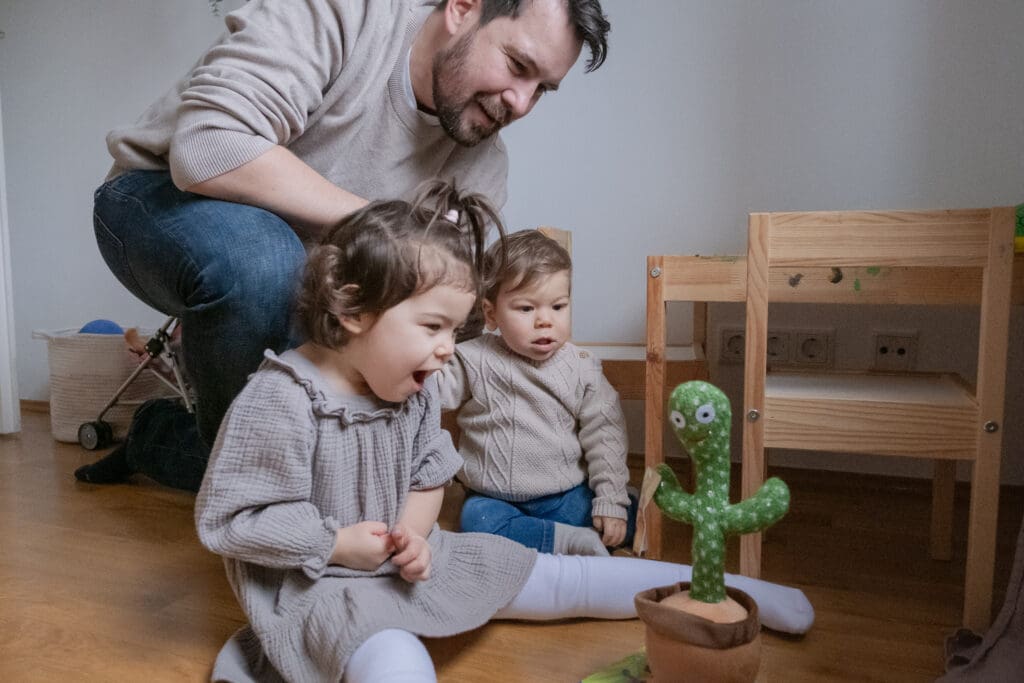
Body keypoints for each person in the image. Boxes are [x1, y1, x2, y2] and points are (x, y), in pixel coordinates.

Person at [194, 182, 814, 682]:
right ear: (354, 311)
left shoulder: (409, 389)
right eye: (434, 327)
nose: (446, 352)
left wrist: (411, 536)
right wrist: (336, 545)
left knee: (552, 576)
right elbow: (232, 519)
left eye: (455, 332)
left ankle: (729, 591)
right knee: (393, 660)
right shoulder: (282, 397)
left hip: (408, 563)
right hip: (321, 586)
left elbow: (430, 473)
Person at [75, 0, 612, 491]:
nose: (521, 103)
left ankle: (173, 442)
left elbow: (454, 317)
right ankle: (253, 494)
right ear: (463, 8)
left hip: (305, 276)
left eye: (542, 88)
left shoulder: (482, 166)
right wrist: (384, 229)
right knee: (266, 264)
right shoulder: (340, 15)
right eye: (518, 66)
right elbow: (208, 147)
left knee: (334, 467)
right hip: (155, 200)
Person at [436, 230, 637, 556]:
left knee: (624, 515)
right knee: (477, 523)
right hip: (492, 499)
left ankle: (575, 530)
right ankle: (569, 542)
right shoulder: (472, 359)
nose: (545, 320)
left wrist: (610, 499)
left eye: (558, 306)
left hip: (563, 496)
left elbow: (606, 434)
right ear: (491, 315)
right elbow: (432, 392)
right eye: (526, 308)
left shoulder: (581, 368)